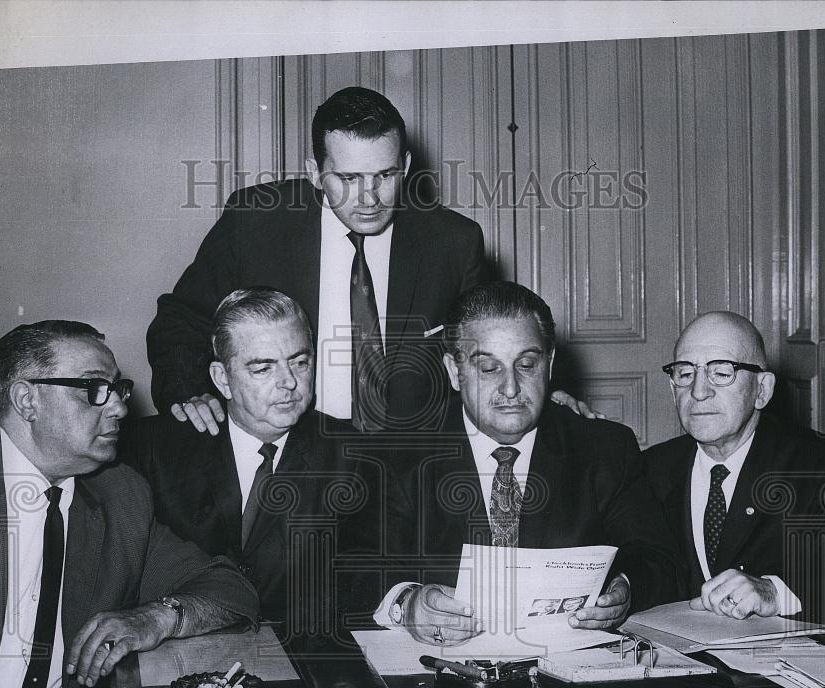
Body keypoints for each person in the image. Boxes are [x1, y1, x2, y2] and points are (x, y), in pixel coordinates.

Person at [0, 321, 258, 688]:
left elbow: (233, 590)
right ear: (26, 399)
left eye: (117, 387)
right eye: (94, 388)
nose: (118, 405)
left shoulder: (120, 495)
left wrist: (156, 617)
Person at [147, 86, 491, 433]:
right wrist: (189, 390)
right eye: (348, 178)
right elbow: (182, 320)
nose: (369, 198)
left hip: (412, 457)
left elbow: (490, 348)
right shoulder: (255, 222)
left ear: (405, 165)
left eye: (385, 175)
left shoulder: (452, 242)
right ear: (315, 172)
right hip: (293, 449)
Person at [373, 282, 683, 645]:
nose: (510, 388)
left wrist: (626, 589)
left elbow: (663, 563)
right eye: (489, 368)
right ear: (454, 371)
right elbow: (354, 567)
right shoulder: (400, 455)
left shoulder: (603, 449)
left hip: (571, 677)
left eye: (526, 364)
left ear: (549, 365)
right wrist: (405, 604)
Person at [124, 288, 381, 626]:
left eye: (300, 362)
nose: (289, 382)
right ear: (222, 379)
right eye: (263, 369)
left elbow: (369, 581)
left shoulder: (353, 458)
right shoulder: (154, 450)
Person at [644, 311, 825, 640]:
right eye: (685, 373)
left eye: (722, 373)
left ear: (762, 389)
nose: (698, 391)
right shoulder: (652, 468)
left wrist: (775, 593)